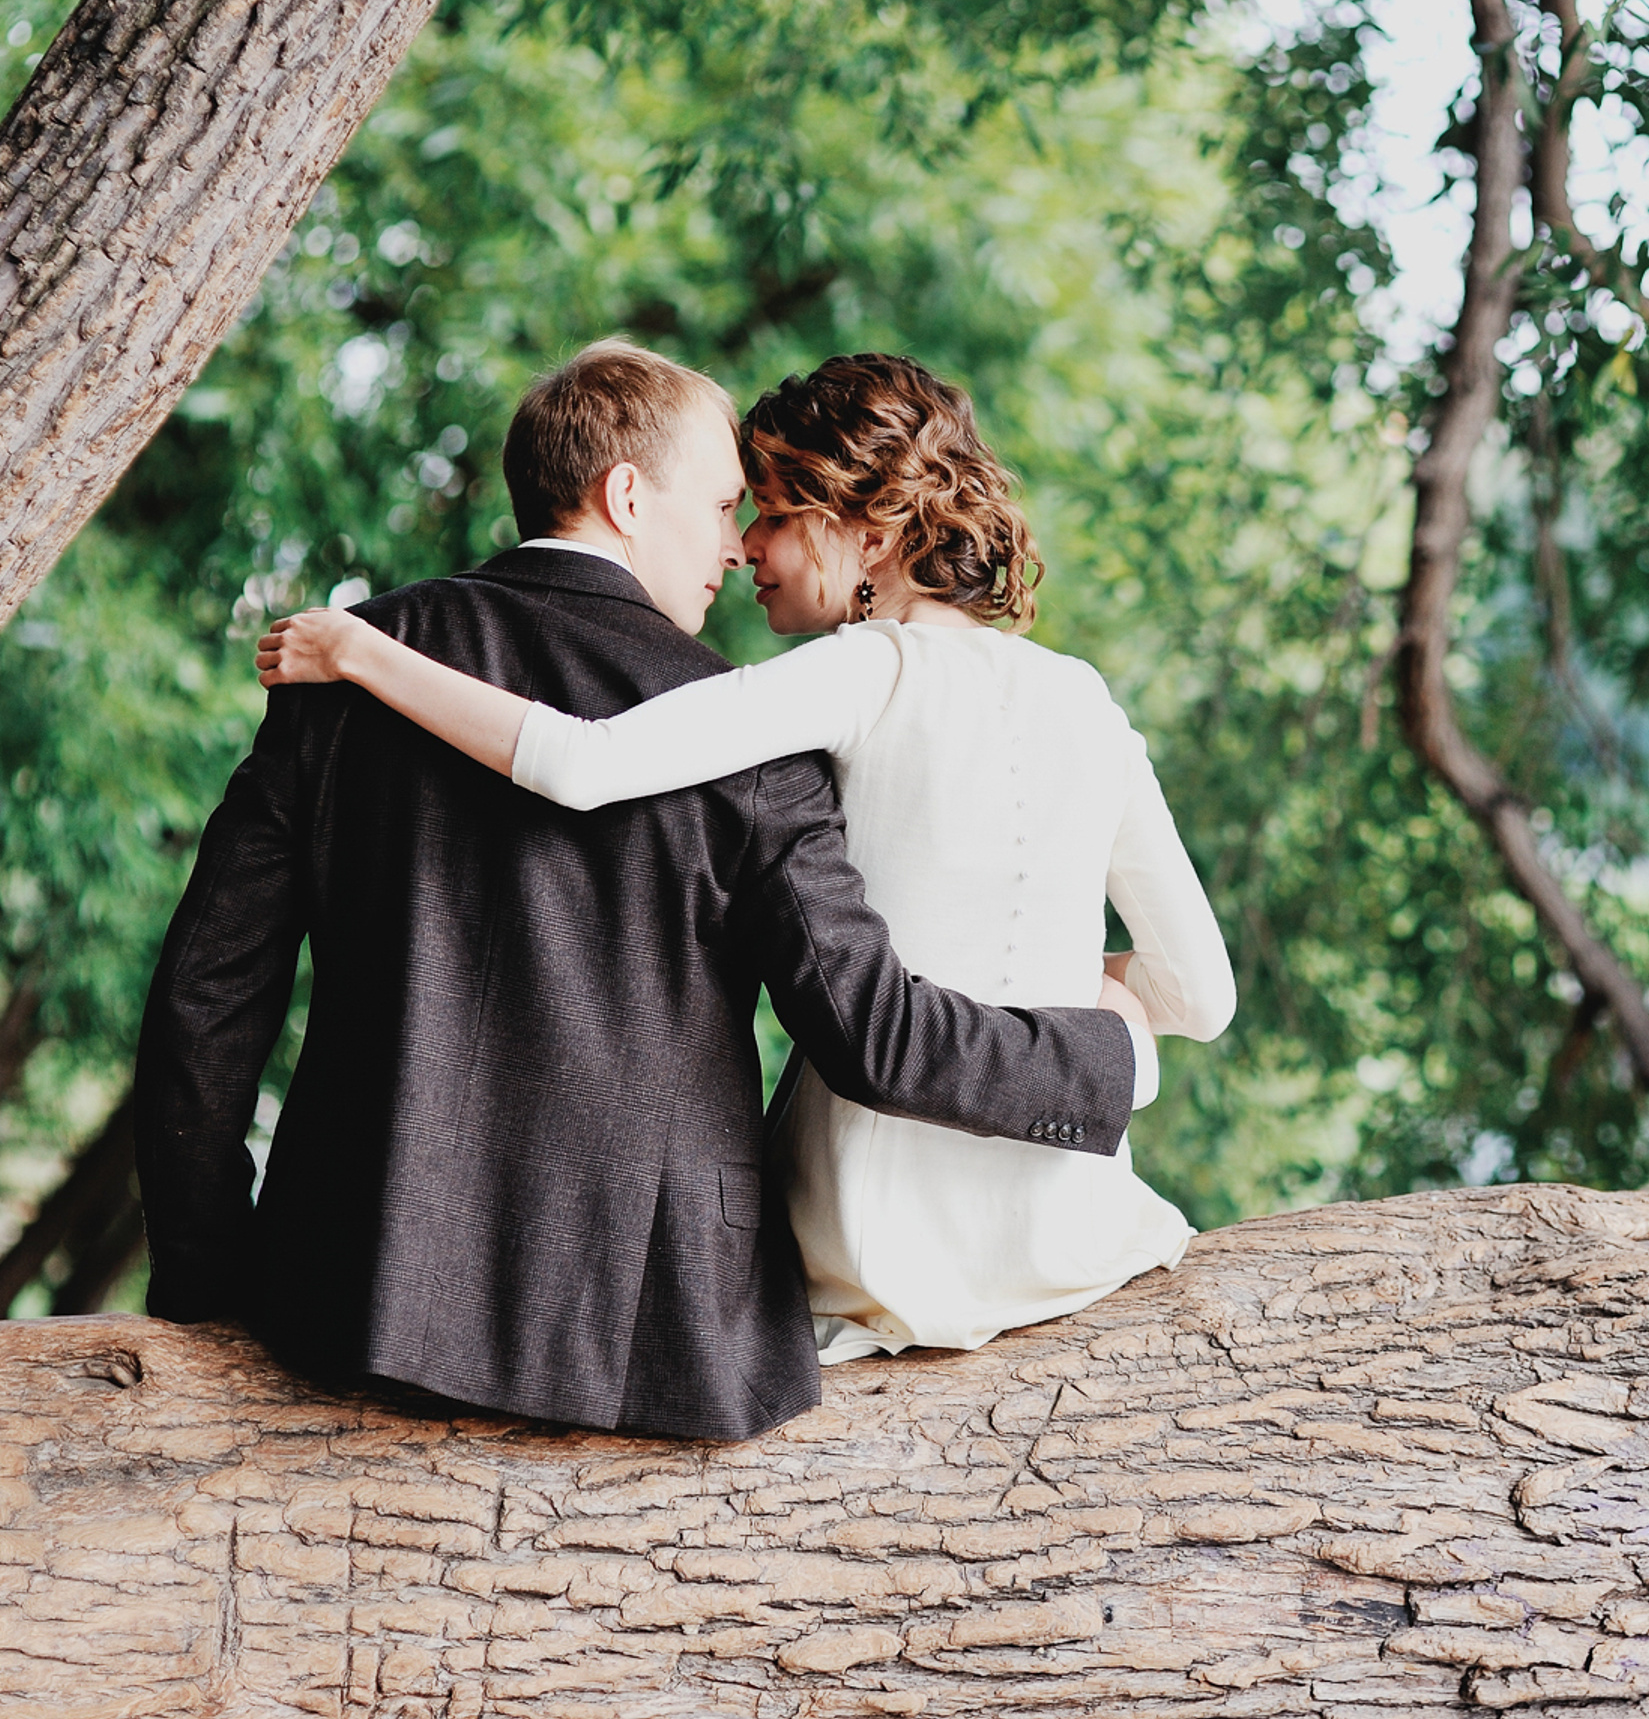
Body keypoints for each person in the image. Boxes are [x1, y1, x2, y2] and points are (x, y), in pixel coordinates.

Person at [135, 340, 1159, 1443]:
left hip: (346, 1290)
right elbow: (872, 1030)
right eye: (724, 505)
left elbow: (207, 1002)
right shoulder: (751, 724)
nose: (734, 547)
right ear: (627, 496)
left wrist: (210, 1287)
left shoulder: (349, 666)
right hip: (651, 1333)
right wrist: (1110, 1055)